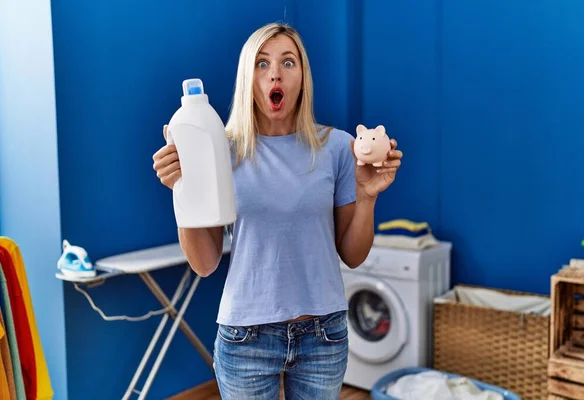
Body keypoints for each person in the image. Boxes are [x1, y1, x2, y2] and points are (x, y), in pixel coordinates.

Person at [152, 22, 402, 399]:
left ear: (303, 76)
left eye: (288, 62)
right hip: (246, 338)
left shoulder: (338, 147)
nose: (275, 73)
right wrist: (181, 190)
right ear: (247, 77)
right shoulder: (223, 150)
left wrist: (367, 197)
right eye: (261, 63)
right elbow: (204, 264)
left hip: (323, 337)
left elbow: (353, 254)